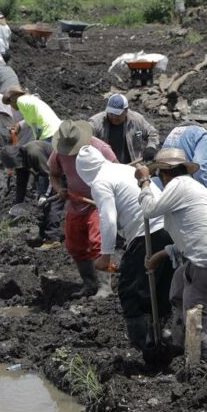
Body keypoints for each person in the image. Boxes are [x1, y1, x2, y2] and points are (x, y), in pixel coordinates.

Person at [135, 148, 207, 370]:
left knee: (194, 317)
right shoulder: (190, 186)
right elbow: (189, 234)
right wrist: (161, 255)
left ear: (164, 173)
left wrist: (143, 183)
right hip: (206, 252)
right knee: (178, 286)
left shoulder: (178, 185)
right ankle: (178, 344)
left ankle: (205, 371)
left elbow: (149, 209)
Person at [76, 145, 174, 359]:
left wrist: (105, 256)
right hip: (169, 228)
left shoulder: (100, 182)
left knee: (130, 292)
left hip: (148, 233)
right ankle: (164, 340)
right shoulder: (121, 169)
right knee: (158, 288)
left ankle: (141, 352)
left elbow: (108, 219)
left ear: (83, 172)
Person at [48, 120, 118, 298]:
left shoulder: (100, 147)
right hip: (75, 202)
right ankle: (89, 284)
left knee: (98, 242)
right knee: (75, 244)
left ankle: (105, 286)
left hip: (98, 201)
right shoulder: (60, 151)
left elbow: (118, 172)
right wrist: (59, 189)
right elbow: (54, 175)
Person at [0, 141, 64, 250]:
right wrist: (17, 206)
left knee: (52, 204)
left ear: (18, 156)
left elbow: (50, 175)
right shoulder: (21, 160)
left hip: (59, 173)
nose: (17, 167)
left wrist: (46, 195)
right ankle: (43, 235)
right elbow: (21, 184)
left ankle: (53, 239)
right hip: (44, 175)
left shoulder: (34, 152)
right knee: (42, 205)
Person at [161, 98, 207, 189]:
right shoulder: (204, 135)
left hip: (163, 183)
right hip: (182, 188)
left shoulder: (177, 129)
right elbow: (199, 168)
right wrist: (206, 194)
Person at [88, 93, 159, 164]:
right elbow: (84, 134)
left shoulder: (137, 120)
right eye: (111, 113)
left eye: (117, 114)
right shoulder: (97, 122)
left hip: (132, 166)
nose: (114, 117)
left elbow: (152, 133)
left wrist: (151, 147)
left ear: (126, 111)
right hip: (106, 168)